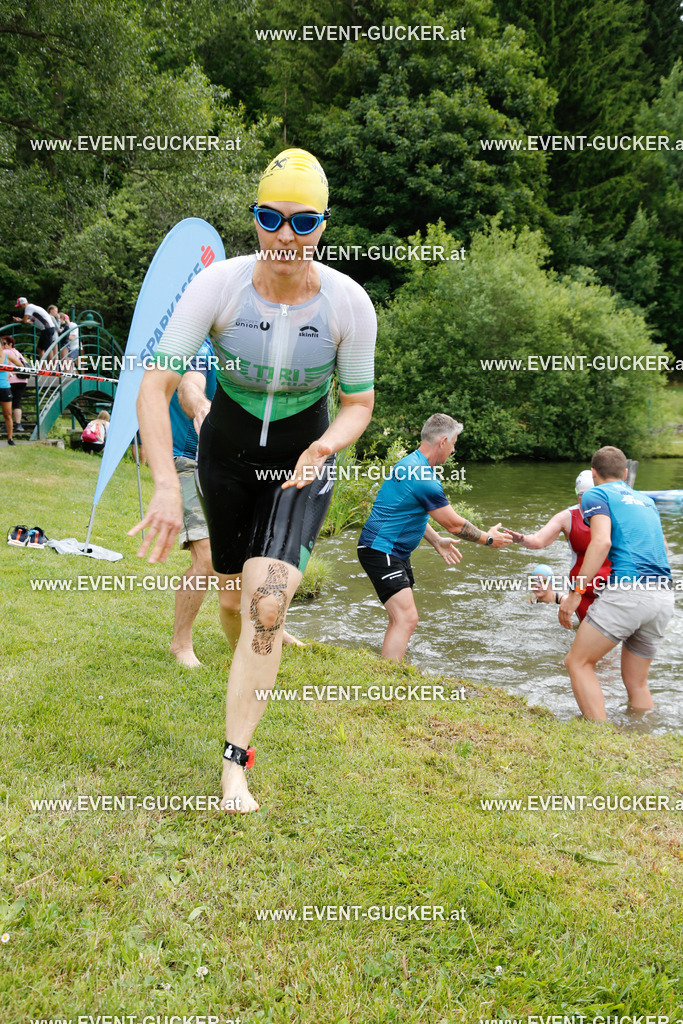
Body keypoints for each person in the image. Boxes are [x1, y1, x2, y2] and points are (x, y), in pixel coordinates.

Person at [130, 148, 377, 814]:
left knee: (268, 605)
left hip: (302, 465)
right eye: (271, 217)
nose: (285, 235)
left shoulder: (348, 304)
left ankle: (234, 765)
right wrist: (162, 485)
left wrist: (325, 444)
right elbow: (154, 387)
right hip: (225, 460)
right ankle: (249, 657)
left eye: (302, 221)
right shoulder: (219, 287)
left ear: (323, 225)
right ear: (256, 219)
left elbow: (358, 403)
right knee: (236, 602)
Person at [357, 414, 513, 661]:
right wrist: (489, 539)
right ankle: (389, 677)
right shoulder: (422, 477)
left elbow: (405, 511)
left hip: (386, 550)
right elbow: (454, 524)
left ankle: (389, 667)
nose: (453, 450)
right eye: (453, 444)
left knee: (400, 618)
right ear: (442, 441)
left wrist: (435, 539)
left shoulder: (411, 464)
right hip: (382, 550)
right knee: (407, 618)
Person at [559, 446, 674, 721]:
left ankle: (598, 737)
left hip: (629, 591)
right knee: (637, 683)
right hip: (663, 596)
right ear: (624, 473)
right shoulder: (646, 501)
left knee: (578, 661)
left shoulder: (595, 494)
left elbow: (601, 542)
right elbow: (664, 547)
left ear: (593, 473)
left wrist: (576, 593)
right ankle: (643, 737)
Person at [504, 469, 611, 622]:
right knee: (586, 633)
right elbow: (539, 540)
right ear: (576, 494)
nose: (587, 501)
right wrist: (522, 539)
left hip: (613, 585)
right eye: (582, 496)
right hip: (582, 589)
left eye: (591, 495)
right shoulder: (566, 518)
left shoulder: (615, 513)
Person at [2, 337, 28, 433]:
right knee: (17, 403)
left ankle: (8, 424)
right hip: (23, 381)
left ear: (10, 344)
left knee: (7, 403)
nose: (3, 346)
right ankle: (18, 424)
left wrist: (11, 374)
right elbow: (23, 365)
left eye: (4, 343)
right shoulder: (18, 353)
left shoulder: (6, 353)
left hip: (10, 381)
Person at [0, 340, 24, 446]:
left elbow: (21, 366)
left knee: (8, 414)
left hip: (4, 387)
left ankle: (10, 438)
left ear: (2, 346)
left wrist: (10, 373)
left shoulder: (7, 356)